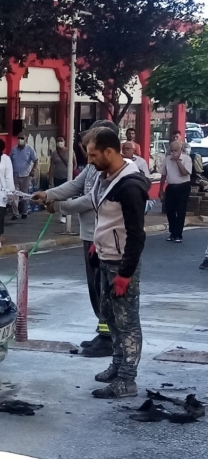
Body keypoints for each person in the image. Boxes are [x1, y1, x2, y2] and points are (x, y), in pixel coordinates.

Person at [32, 120, 121, 358]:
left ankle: (109, 337)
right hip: (89, 233)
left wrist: (58, 207)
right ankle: (103, 333)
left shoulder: (114, 170)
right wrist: (47, 194)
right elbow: (75, 185)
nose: (88, 153)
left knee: (105, 288)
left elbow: (91, 199)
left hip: (104, 238)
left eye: (93, 144)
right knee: (95, 287)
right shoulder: (94, 166)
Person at [82, 126, 148, 398]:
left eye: (93, 154)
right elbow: (107, 218)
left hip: (121, 265)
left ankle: (127, 380)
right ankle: (117, 364)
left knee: (127, 322)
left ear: (110, 152)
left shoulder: (130, 186)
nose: (90, 160)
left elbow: (136, 234)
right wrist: (98, 245)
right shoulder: (105, 177)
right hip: (105, 258)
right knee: (108, 316)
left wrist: (125, 274)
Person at [159, 140, 192, 243]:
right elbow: (163, 175)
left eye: (175, 150)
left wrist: (178, 161)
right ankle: (173, 232)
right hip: (171, 186)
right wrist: (161, 190)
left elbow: (184, 173)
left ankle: (178, 234)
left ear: (181, 150)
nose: (173, 152)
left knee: (181, 210)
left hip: (183, 186)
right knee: (170, 210)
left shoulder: (187, 159)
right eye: (172, 150)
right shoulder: (167, 159)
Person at [8, 133, 38, 220]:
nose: (20, 140)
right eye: (19, 138)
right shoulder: (13, 149)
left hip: (26, 175)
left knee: (24, 194)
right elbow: (9, 161)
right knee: (14, 194)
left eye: (22, 138)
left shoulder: (30, 149)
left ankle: (24, 212)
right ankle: (15, 213)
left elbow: (36, 160)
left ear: (25, 139)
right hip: (14, 175)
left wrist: (33, 170)